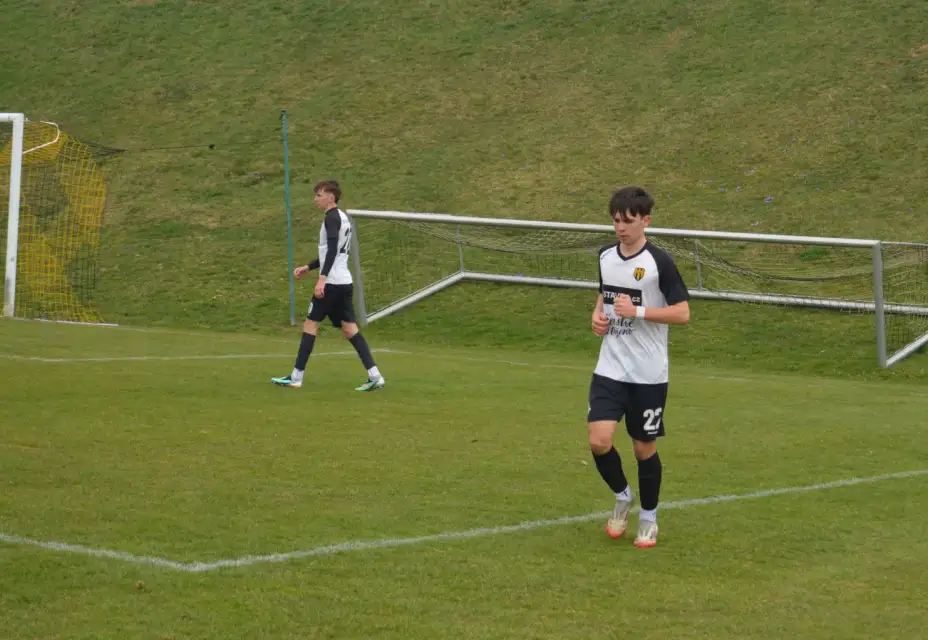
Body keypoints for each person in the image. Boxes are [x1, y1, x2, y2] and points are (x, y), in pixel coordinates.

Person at [587, 186, 690, 548]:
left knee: (643, 449)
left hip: (648, 374)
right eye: (615, 221)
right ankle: (622, 496)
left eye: (627, 221)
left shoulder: (659, 262)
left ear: (645, 220)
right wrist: (597, 316)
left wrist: (641, 312)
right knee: (599, 441)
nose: (620, 228)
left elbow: (683, 313)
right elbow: (606, 295)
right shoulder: (605, 256)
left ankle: (648, 518)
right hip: (610, 367)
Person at [271, 180, 385, 391]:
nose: (316, 199)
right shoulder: (342, 217)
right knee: (350, 329)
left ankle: (296, 377)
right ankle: (375, 376)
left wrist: (321, 278)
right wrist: (309, 266)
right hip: (344, 282)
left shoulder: (331, 219)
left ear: (330, 197)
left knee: (310, 324)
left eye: (319, 195)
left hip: (332, 283)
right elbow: (335, 252)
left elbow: (332, 250)